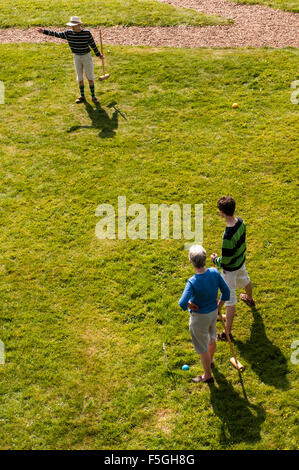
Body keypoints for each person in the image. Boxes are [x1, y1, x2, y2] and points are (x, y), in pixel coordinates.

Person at [179, 245, 230, 384]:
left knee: (202, 348)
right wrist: (219, 306)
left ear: (191, 261)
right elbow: (227, 292)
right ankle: (211, 360)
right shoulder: (214, 272)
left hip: (199, 318)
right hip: (213, 313)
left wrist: (190, 305)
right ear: (205, 259)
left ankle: (207, 375)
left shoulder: (192, 281)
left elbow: (182, 303)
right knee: (211, 339)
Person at [211, 195, 255, 342]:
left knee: (229, 300)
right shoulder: (241, 222)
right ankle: (250, 299)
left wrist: (215, 260)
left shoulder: (228, 236)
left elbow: (226, 260)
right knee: (246, 280)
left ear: (222, 212)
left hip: (230, 269)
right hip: (240, 261)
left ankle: (227, 333)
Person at [37, 16, 103, 104]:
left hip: (86, 57)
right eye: (71, 25)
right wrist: (44, 31)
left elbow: (93, 45)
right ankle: (82, 96)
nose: (72, 27)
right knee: (80, 78)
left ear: (79, 25)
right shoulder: (68, 33)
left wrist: (98, 54)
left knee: (90, 77)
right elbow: (56, 34)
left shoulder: (87, 33)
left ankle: (93, 96)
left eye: (74, 25)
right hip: (76, 57)